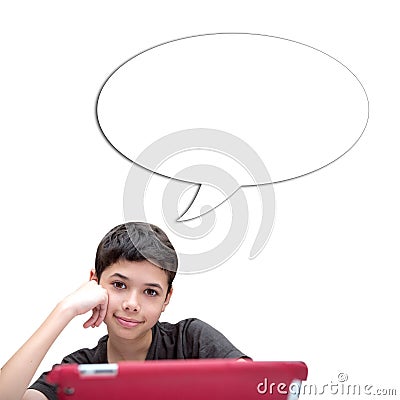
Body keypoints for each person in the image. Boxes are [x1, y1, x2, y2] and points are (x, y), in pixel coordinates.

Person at [0, 222, 249, 400]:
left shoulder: (191, 341)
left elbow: (258, 387)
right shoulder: (77, 373)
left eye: (150, 292)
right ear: (94, 283)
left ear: (166, 299)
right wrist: (65, 309)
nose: (132, 303)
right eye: (119, 285)